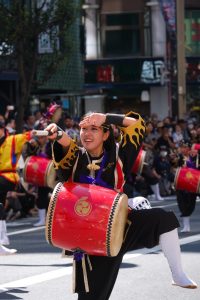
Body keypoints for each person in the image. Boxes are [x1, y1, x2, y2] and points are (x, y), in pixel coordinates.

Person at [45, 111, 197, 299]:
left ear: (106, 134)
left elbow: (136, 125)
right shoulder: (75, 157)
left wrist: (106, 118)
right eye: (83, 129)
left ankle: (178, 274)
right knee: (93, 297)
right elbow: (66, 143)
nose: (87, 133)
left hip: (122, 226)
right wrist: (58, 133)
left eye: (94, 129)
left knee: (163, 219)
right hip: (91, 239)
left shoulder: (119, 155)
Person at [0, 120, 33, 255]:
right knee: (0, 207)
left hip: (7, 177)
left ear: (2, 129)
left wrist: (45, 124)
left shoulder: (14, 139)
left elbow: (31, 135)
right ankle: (0, 244)